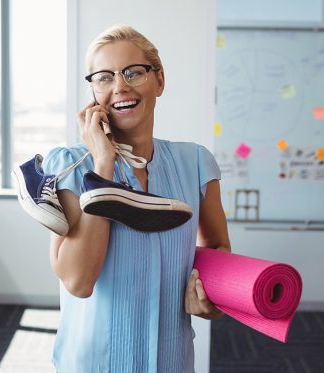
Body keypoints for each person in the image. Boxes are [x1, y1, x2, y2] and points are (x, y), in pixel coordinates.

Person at [41, 25, 231, 372]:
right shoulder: (68, 166)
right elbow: (78, 282)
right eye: (104, 77)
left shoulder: (196, 163)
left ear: (159, 80)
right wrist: (103, 164)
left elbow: (218, 251)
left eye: (133, 72)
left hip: (171, 360)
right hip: (94, 362)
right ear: (93, 93)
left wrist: (212, 299)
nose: (120, 87)